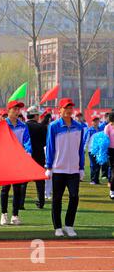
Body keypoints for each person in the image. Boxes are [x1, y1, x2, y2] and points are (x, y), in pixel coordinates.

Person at [46, 98, 85, 237]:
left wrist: (81, 168)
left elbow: (80, 149)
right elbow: (50, 147)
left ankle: (69, 225)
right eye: (66, 107)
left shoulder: (79, 127)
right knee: (57, 198)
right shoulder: (54, 126)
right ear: (60, 110)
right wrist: (49, 166)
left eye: (71, 107)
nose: (69, 110)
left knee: (74, 197)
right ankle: (57, 227)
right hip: (58, 168)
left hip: (74, 169)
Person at [0, 101, 32, 226]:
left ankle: (15, 215)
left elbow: (27, 141)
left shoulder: (23, 126)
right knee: (5, 189)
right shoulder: (3, 125)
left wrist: (28, 152)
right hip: (6, 160)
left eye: (18, 109)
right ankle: (4, 214)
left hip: (18, 161)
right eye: (15, 109)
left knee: (17, 189)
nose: (17, 111)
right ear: (9, 110)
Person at [25, 106, 48, 209]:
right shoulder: (41, 127)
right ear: (35, 115)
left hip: (25, 155)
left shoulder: (23, 126)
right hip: (39, 155)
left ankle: (20, 203)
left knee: (23, 180)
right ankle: (41, 201)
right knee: (40, 181)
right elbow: (45, 142)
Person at [84, 115, 103, 185]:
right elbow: (86, 140)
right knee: (93, 165)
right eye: (94, 121)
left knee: (98, 165)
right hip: (91, 150)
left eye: (97, 120)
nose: (96, 122)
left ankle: (97, 180)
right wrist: (84, 148)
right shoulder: (90, 130)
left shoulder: (101, 130)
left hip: (99, 150)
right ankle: (92, 180)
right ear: (92, 122)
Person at [104, 112, 114, 200]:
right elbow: (105, 140)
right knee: (113, 171)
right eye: (111, 122)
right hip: (111, 151)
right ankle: (112, 191)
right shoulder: (107, 127)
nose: (112, 123)